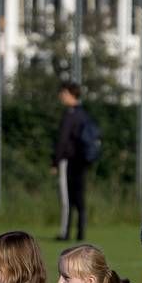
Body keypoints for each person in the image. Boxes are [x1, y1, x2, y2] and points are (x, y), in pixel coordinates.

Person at [51, 81, 91, 243]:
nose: (61, 96)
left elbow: (63, 140)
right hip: (81, 161)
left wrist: (55, 161)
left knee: (66, 198)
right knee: (79, 197)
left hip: (68, 161)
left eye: (63, 93)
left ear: (69, 94)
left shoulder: (70, 115)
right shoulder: (83, 114)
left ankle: (65, 232)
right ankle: (81, 232)